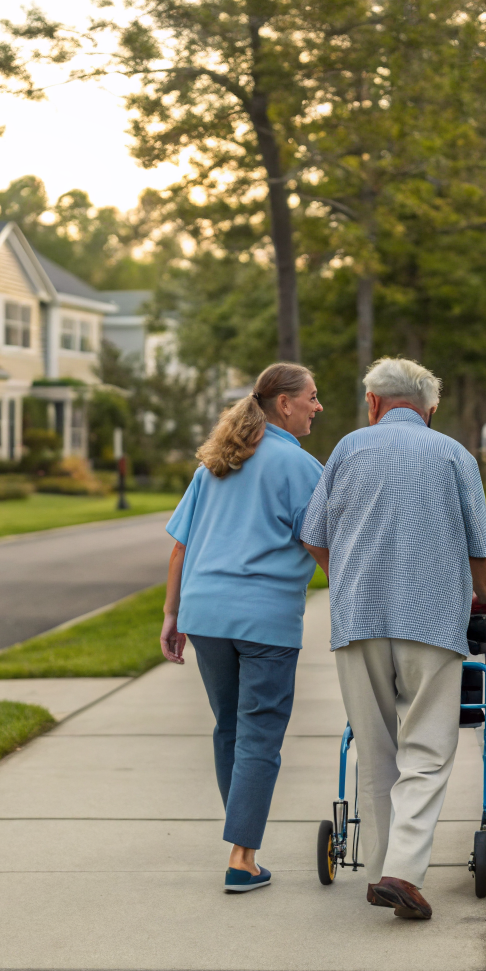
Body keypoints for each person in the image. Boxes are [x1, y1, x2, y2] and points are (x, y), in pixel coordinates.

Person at [300, 357, 486, 920]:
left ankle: (384, 870)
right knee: (428, 751)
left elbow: (314, 534)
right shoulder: (455, 455)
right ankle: (401, 873)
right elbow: (479, 549)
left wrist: (348, 579)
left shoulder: (348, 448)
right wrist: (485, 595)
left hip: (357, 622)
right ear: (430, 410)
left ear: (373, 402)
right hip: (432, 622)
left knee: (376, 747)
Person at [160, 362, 325, 893]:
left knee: (229, 728)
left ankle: (242, 847)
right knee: (258, 735)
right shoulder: (301, 467)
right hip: (265, 619)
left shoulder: (215, 463)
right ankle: (241, 859)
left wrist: (171, 614)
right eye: (312, 398)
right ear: (284, 404)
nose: (317, 407)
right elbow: (320, 544)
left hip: (205, 614)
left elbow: (181, 546)